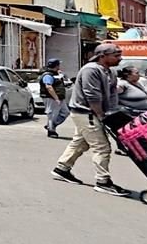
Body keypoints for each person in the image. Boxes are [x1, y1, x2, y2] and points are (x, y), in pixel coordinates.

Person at [51, 43, 129, 196]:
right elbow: (92, 96)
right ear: (103, 56)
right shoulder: (91, 70)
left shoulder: (110, 72)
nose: (120, 58)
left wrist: (113, 113)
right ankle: (103, 181)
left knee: (80, 142)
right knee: (102, 147)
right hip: (86, 113)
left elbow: (112, 94)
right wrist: (101, 116)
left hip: (94, 113)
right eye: (116, 55)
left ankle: (62, 168)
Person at [40, 59, 69, 138]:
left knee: (65, 112)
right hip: (51, 98)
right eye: (58, 65)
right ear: (56, 65)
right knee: (52, 114)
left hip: (60, 97)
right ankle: (51, 131)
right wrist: (56, 98)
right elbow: (48, 87)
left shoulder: (56, 74)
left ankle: (51, 125)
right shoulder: (48, 75)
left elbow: (63, 83)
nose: (59, 66)